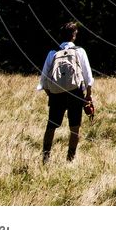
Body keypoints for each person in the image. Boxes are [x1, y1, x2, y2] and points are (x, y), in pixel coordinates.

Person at [38, 21, 94, 164]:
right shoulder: (80, 51)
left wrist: (51, 94)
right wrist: (88, 95)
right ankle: (70, 159)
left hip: (57, 94)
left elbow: (43, 80)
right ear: (73, 36)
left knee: (51, 126)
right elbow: (88, 77)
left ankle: (46, 157)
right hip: (75, 93)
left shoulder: (53, 53)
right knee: (75, 127)